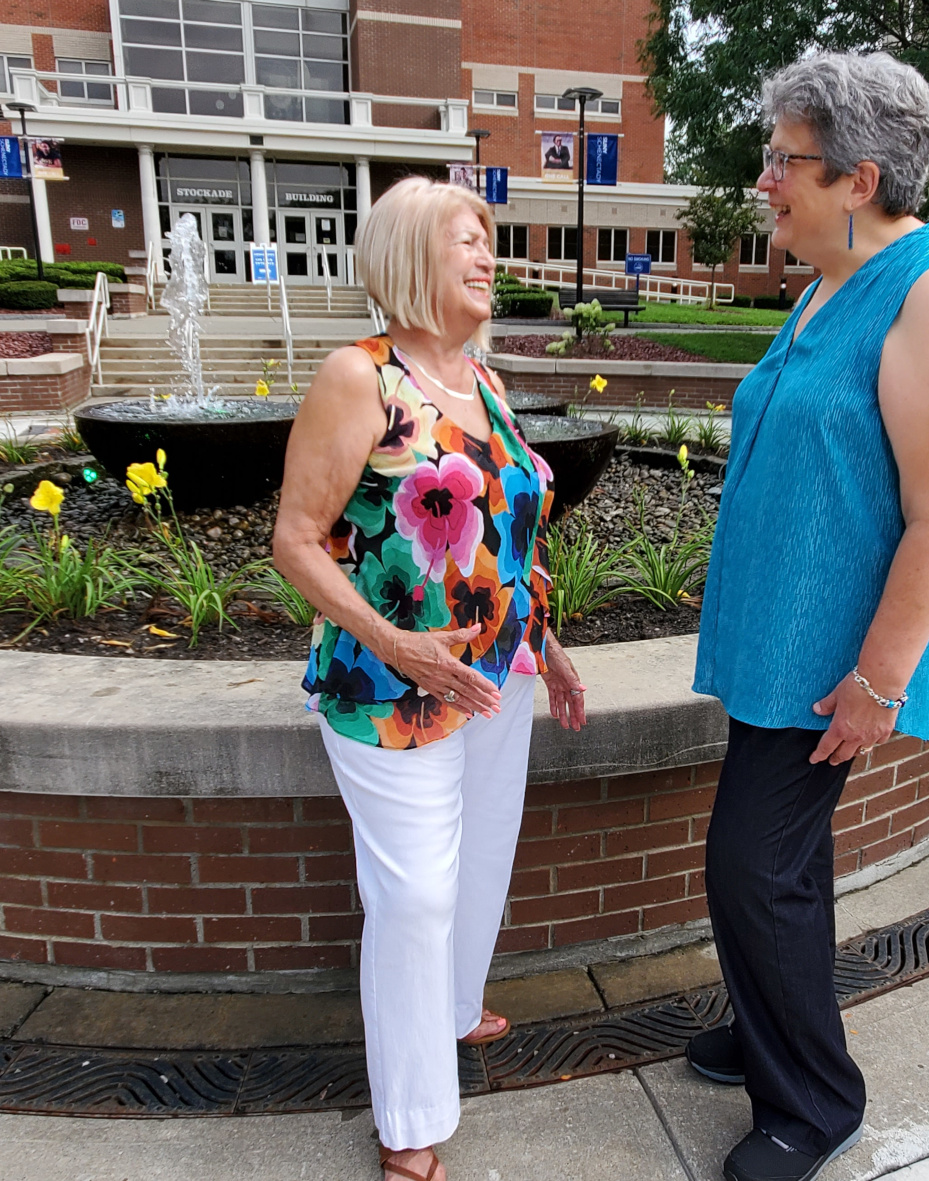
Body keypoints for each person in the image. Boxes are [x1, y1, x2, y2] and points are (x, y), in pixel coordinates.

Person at [686, 52, 929, 1181]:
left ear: (860, 177)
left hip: (833, 659)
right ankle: (774, 1027)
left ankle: (814, 1102)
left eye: (785, 159)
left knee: (750, 866)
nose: (766, 178)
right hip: (778, 639)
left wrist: (877, 679)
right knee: (787, 863)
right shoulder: (825, 279)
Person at [271, 176, 589, 1181]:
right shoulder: (358, 377)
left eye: (490, 239)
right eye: (468, 238)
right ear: (411, 252)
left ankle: (453, 1009)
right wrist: (398, 642)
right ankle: (409, 1116)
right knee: (413, 896)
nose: (488, 255)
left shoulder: (483, 380)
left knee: (484, 857)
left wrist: (552, 642)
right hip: (389, 686)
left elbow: (508, 531)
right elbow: (294, 540)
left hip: (496, 672)